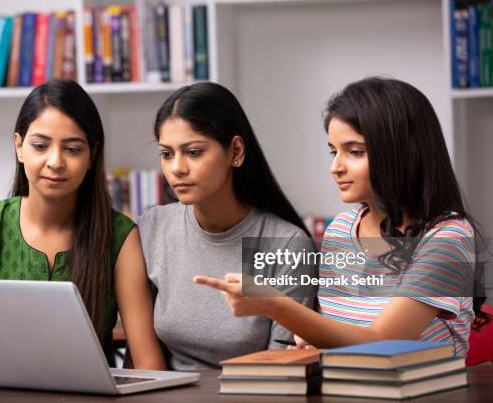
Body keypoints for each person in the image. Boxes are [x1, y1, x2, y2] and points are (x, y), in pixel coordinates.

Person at [195, 77, 489, 356]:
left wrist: (275, 305)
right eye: (333, 151)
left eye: (355, 152)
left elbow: (382, 342)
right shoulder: (342, 229)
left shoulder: (447, 236)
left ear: (400, 153)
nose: (335, 167)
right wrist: (310, 342)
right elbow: (340, 333)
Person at [0, 80, 165, 374]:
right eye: (40, 146)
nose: (55, 162)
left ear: (92, 155)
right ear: (19, 146)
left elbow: (148, 362)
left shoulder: (121, 236)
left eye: (72, 149)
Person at [137, 82, 316, 370]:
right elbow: (142, 353)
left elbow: (281, 369)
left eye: (193, 152)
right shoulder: (151, 228)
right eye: (166, 154)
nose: (176, 168)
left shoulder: (287, 244)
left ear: (235, 151)